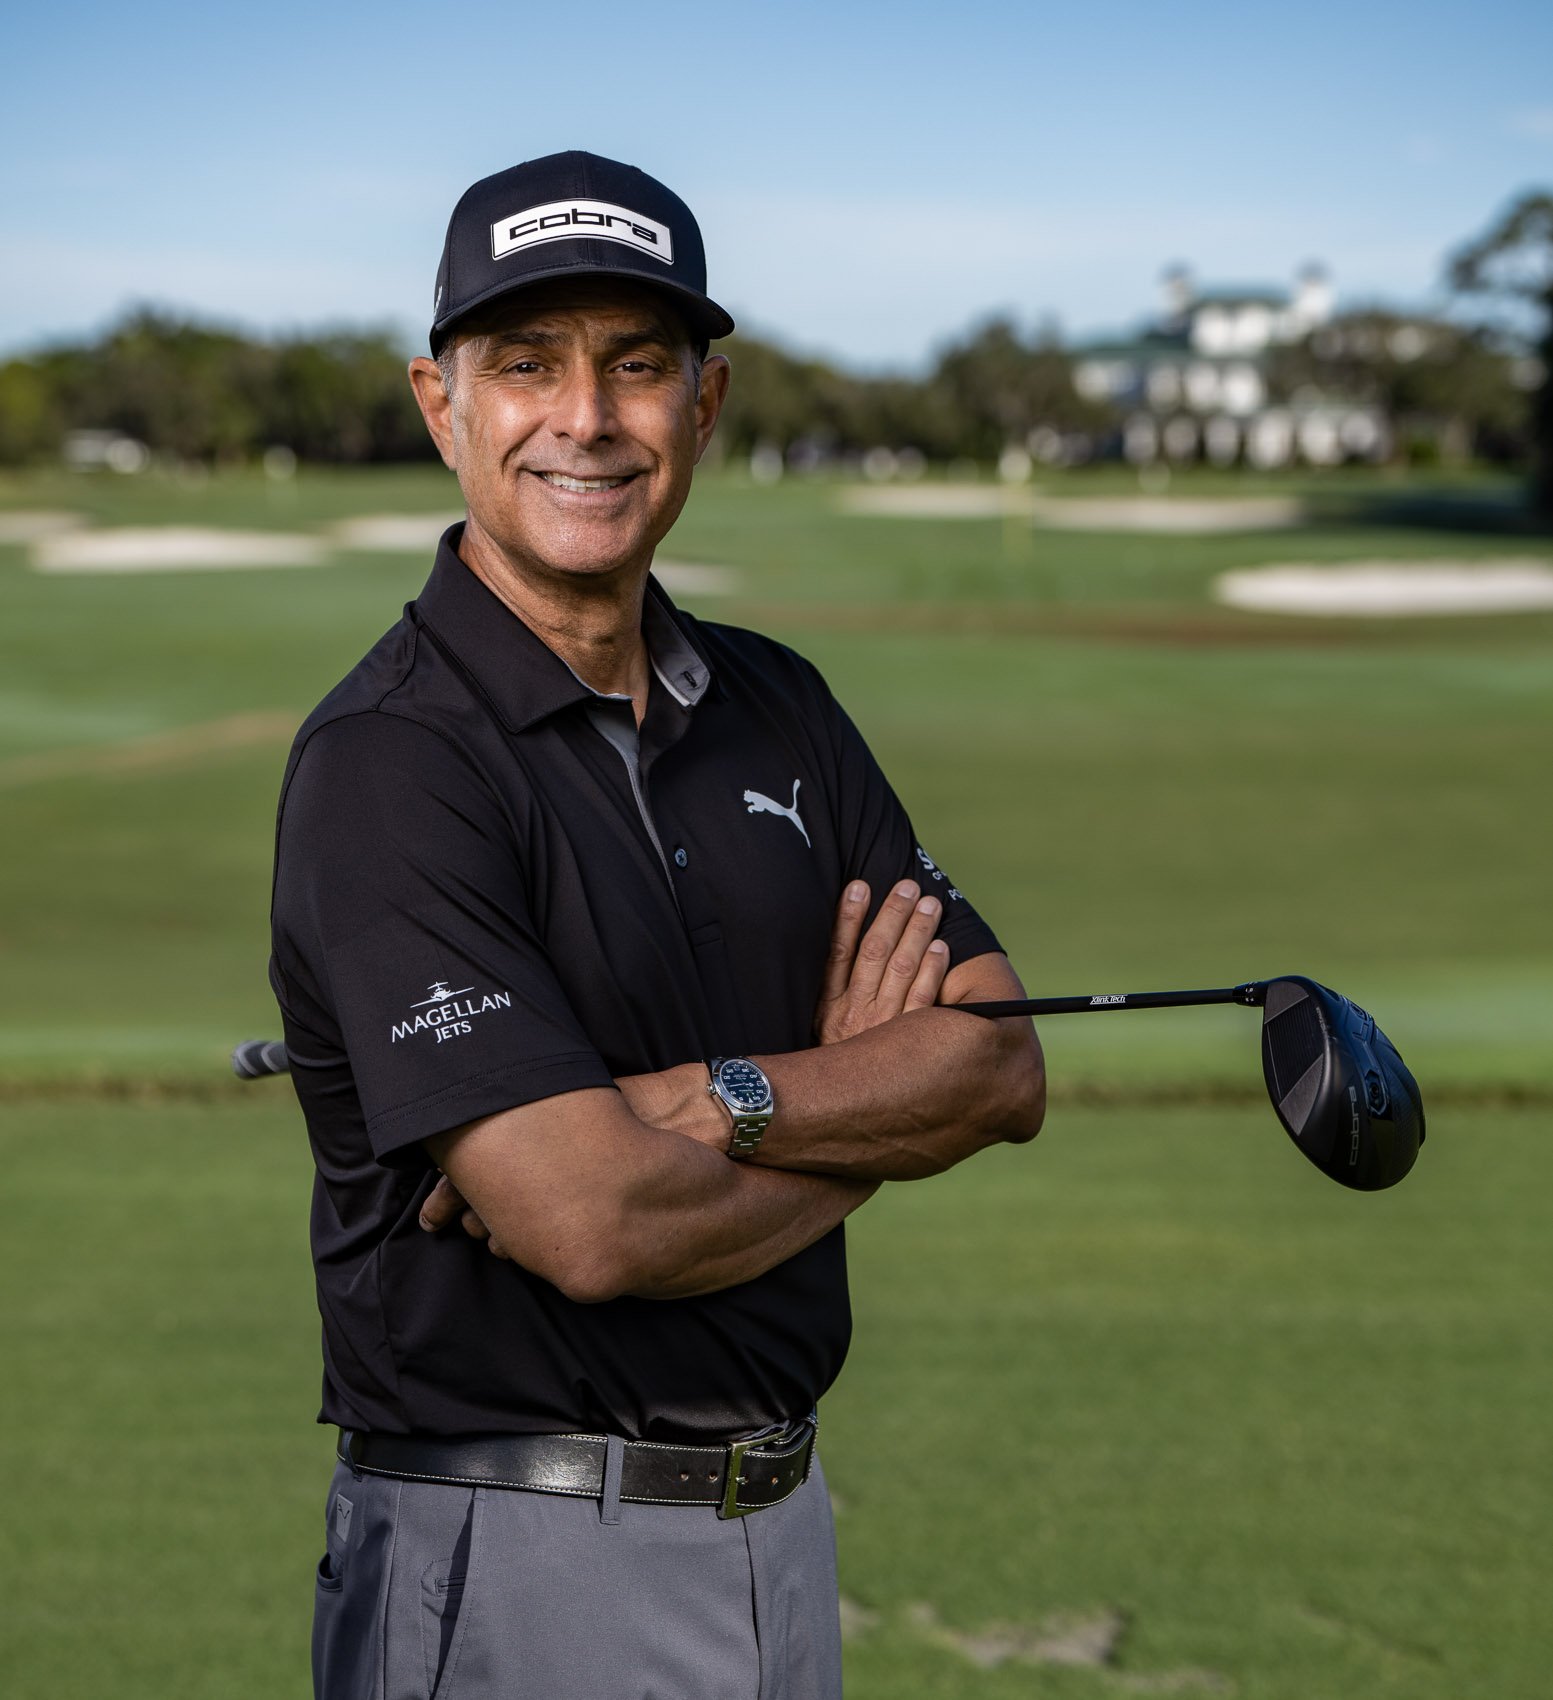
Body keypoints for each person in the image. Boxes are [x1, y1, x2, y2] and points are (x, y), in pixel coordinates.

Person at [269, 149, 1045, 1700]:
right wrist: (873, 1119)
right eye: (527, 366)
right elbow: (589, 1222)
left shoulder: (778, 708)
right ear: (442, 403)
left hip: (781, 1532)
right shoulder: (389, 764)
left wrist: (726, 1104)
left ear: (705, 401)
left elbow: (997, 1067)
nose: (586, 419)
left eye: (637, 365)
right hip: (510, 1553)